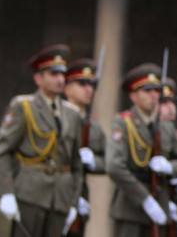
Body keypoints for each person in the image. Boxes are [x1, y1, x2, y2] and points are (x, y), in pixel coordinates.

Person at [0, 44, 85, 237]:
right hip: (30, 194)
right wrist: (6, 192)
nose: (60, 80)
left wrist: (74, 201)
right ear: (38, 78)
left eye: (62, 74)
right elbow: (2, 152)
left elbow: (76, 164)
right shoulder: (23, 107)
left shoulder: (73, 114)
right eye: (53, 74)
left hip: (60, 198)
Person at [106, 63, 177, 237]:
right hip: (130, 208)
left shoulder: (165, 128)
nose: (154, 95)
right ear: (133, 95)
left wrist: (170, 167)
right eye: (147, 91)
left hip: (160, 203)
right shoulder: (123, 123)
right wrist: (144, 199)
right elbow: (114, 166)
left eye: (156, 91)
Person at [62, 58, 106, 237]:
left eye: (91, 85)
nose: (88, 90)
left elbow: (108, 160)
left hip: (80, 195)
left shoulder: (93, 126)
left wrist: (93, 161)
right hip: (55, 194)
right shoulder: (57, 117)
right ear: (67, 88)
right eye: (82, 84)